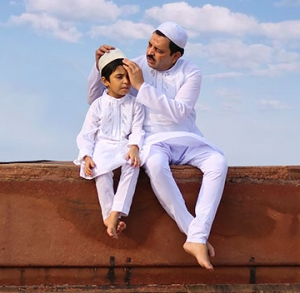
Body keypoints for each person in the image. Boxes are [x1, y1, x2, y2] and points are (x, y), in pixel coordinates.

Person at [88, 22, 228, 270]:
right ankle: (195, 236)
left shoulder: (191, 72)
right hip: (152, 140)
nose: (150, 52)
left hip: (187, 137)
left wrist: (141, 86)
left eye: (159, 50)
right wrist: (97, 65)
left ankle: (196, 237)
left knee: (218, 162)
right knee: (154, 164)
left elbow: (179, 112)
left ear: (176, 56)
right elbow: (97, 101)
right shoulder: (134, 64)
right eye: (150, 45)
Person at [76, 48, 145, 239]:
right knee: (101, 171)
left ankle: (117, 211)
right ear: (105, 81)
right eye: (119, 77)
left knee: (133, 165)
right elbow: (87, 134)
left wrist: (134, 147)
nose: (126, 82)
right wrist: (86, 156)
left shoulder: (136, 104)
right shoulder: (98, 104)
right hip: (102, 147)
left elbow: (138, 130)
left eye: (128, 77)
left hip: (125, 146)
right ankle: (108, 216)